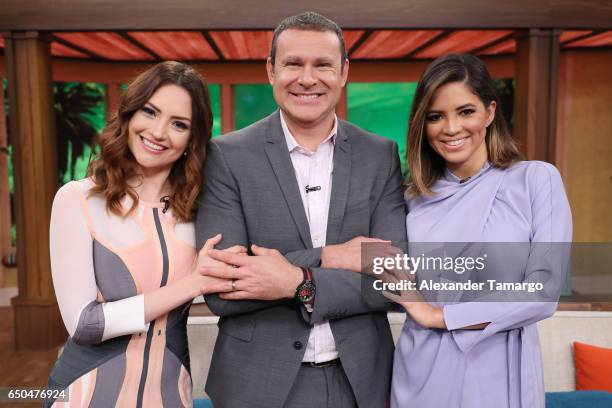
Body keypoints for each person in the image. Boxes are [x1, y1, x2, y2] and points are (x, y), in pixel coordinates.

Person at [196, 11, 407, 408]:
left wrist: (297, 280)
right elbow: (223, 288)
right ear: (271, 70)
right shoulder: (227, 155)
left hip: (361, 382)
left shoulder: (379, 155)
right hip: (255, 385)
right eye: (293, 63)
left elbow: (394, 277)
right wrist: (331, 257)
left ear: (343, 72)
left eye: (323, 64)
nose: (307, 78)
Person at [45, 61, 240, 407]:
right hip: (83, 395)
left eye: (178, 124)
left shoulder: (199, 210)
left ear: (191, 141)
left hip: (172, 396)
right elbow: (85, 325)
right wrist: (193, 283)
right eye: (150, 112)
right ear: (130, 114)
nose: (158, 132)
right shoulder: (78, 199)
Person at [383, 54, 571, 407]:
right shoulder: (410, 199)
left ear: (489, 112)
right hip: (422, 373)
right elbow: (379, 269)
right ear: (422, 125)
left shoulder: (535, 180)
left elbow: (543, 292)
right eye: (435, 117)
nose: (451, 128)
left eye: (465, 111)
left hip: (500, 371)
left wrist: (437, 315)